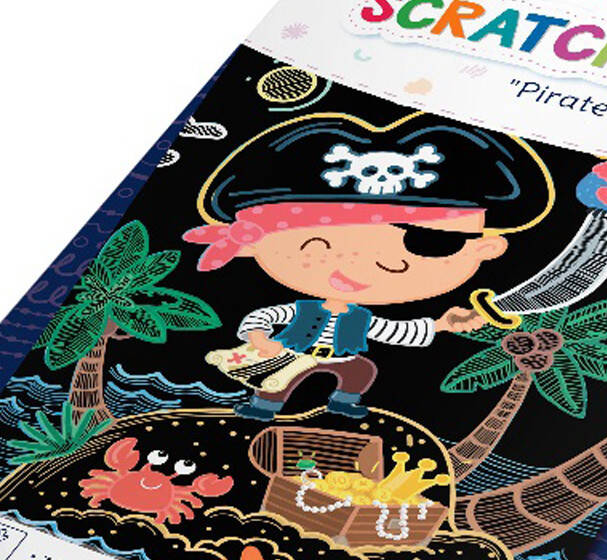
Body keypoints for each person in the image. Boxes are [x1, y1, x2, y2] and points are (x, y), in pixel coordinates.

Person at [185, 109, 553, 420]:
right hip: (291, 353)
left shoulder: (362, 318)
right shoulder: (299, 309)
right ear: (252, 244)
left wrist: (442, 324)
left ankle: (343, 402)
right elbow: (263, 317)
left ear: (485, 249)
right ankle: (264, 407)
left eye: (429, 243)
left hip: (341, 357)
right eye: (318, 244)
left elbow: (394, 331)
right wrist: (260, 339)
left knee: (361, 370)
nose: (367, 264)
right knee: (278, 381)